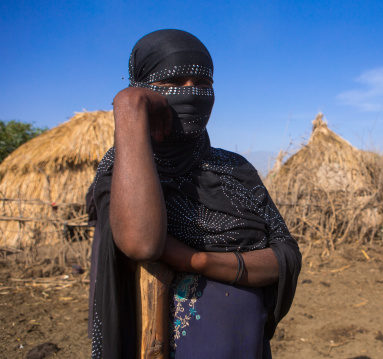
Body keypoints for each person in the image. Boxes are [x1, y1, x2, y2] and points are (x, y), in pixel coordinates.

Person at [89, 29, 301, 359]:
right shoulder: (122, 174)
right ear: (143, 88)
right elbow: (141, 242)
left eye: (204, 83)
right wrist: (129, 107)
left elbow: (284, 256)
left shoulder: (235, 169)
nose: (192, 92)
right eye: (175, 81)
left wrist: (195, 259)